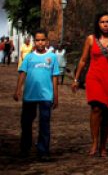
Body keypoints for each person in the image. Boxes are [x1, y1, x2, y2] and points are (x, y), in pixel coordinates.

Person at [72, 12, 108, 157]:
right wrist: (76, 79)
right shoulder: (91, 39)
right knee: (96, 108)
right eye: (102, 22)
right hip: (95, 78)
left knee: (107, 112)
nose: (105, 24)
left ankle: (103, 146)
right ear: (98, 24)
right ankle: (94, 143)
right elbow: (83, 60)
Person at [14, 29, 60, 160]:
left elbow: (55, 77)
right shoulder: (29, 57)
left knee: (44, 123)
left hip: (46, 96)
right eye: (38, 40)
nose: (40, 42)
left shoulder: (52, 57)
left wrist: (56, 96)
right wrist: (18, 89)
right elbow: (23, 73)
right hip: (29, 95)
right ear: (35, 41)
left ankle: (43, 150)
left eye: (42, 40)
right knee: (26, 123)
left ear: (46, 41)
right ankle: (25, 147)